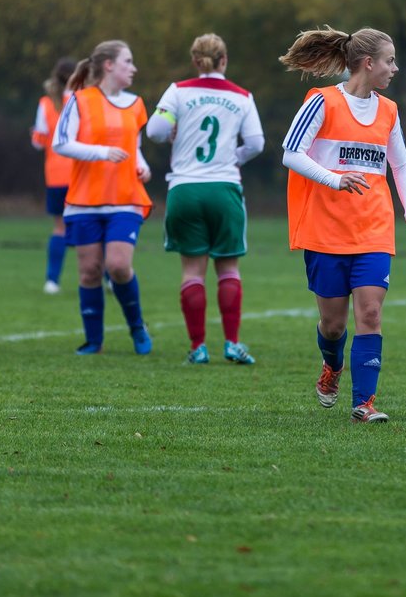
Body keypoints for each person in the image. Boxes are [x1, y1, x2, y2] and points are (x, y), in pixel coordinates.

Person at [280, 26, 406, 424]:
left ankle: (364, 403)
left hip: (374, 229)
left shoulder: (390, 110)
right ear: (368, 63)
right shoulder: (322, 102)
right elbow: (291, 154)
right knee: (332, 325)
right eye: (389, 60)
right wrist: (335, 178)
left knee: (371, 314)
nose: (395, 68)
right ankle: (332, 367)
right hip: (325, 230)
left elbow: (400, 164)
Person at [145, 33, 265, 366]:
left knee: (192, 273)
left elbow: (154, 131)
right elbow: (256, 143)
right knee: (228, 268)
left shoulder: (178, 91)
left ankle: (198, 347)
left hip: (185, 188)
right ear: (224, 60)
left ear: (196, 61)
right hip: (224, 188)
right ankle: (232, 343)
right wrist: (231, 158)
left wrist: (173, 132)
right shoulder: (242, 96)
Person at [53, 40, 156, 355]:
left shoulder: (136, 103)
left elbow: (134, 147)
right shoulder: (80, 101)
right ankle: (93, 341)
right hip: (84, 202)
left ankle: (137, 326)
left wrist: (142, 166)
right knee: (89, 271)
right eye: (128, 61)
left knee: (118, 266)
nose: (133, 68)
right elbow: (61, 143)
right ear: (109, 65)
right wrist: (101, 153)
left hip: (125, 199)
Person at [31, 57, 78, 294]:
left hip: (56, 175)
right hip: (82, 174)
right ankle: (110, 278)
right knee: (89, 226)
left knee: (59, 227)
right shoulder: (85, 101)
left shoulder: (46, 102)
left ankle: (52, 281)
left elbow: (38, 141)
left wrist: (36, 136)